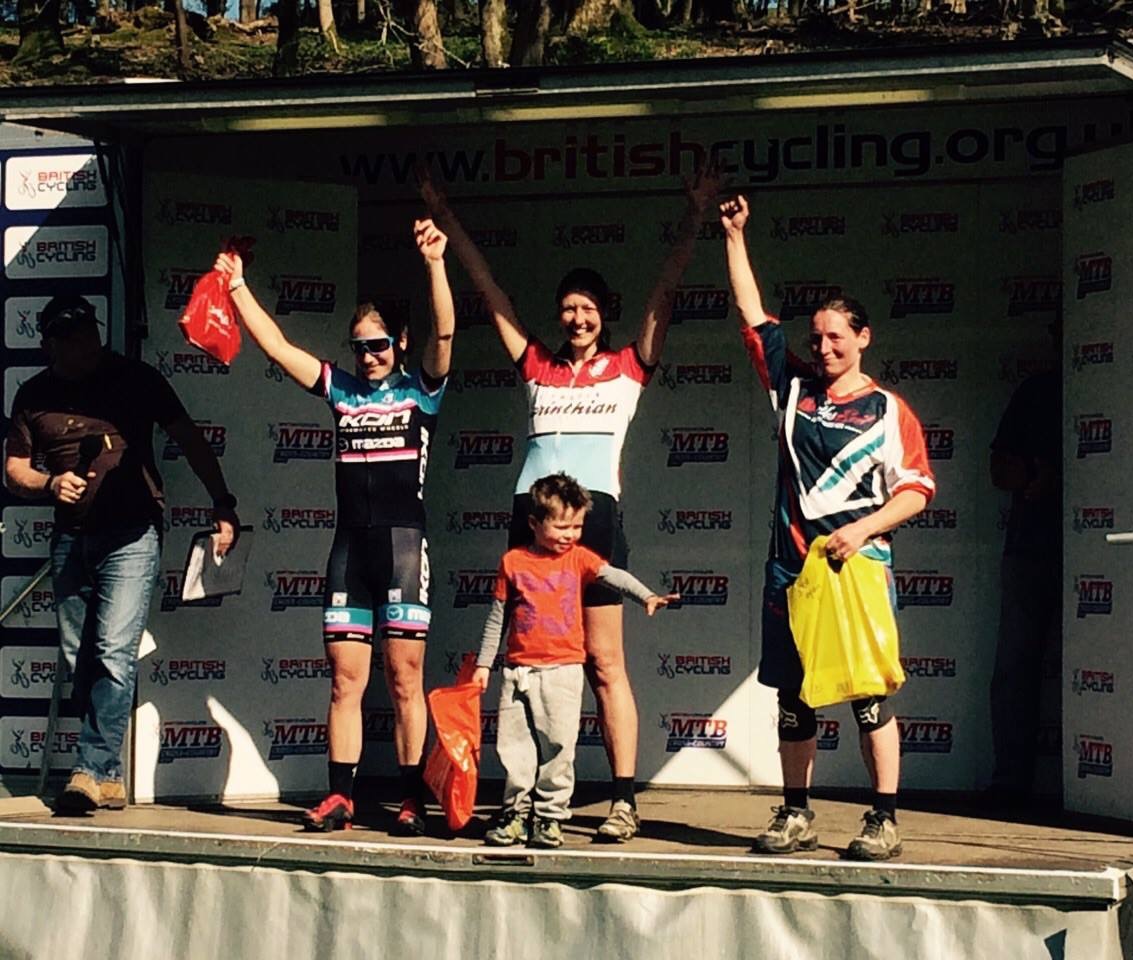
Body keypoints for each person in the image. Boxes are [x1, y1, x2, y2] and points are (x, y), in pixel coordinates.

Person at [421, 167, 719, 841]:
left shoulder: (627, 367)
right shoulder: (537, 366)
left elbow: (665, 293)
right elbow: (490, 292)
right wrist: (446, 215)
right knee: (524, 666)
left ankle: (622, 800)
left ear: (604, 313)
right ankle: (521, 798)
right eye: (568, 308)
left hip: (597, 522)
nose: (577, 318)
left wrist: (695, 217)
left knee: (606, 665)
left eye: (588, 308)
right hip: (529, 525)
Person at [212, 218, 455, 835]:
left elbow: (445, 332)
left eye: (379, 346)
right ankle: (340, 796)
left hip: (403, 549)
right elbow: (278, 349)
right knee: (346, 683)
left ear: (400, 342)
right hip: (350, 552)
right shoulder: (341, 391)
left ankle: (411, 799)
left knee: (404, 680)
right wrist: (237, 288)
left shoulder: (421, 392)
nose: (369, 357)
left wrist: (434, 264)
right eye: (360, 348)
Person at [720, 196, 936, 861]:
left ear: (864, 338)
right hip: (792, 570)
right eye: (816, 337)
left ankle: (884, 819)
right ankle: (796, 814)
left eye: (837, 336)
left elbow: (917, 491)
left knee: (870, 698)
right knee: (794, 699)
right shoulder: (793, 387)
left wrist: (863, 530)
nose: (824, 347)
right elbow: (753, 314)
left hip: (857, 571)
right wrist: (734, 235)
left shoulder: (888, 410)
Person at [4, 294, 240, 815]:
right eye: (71, 337)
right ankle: (108, 775)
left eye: (89, 331)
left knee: (113, 650)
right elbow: (14, 469)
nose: (85, 343)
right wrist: (50, 484)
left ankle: (89, 769)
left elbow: (190, 440)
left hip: (133, 534)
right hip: (70, 537)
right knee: (80, 658)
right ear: (50, 344)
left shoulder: (136, 378)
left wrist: (223, 501)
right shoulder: (33, 394)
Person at [472, 473, 675, 849]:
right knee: (515, 748)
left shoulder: (579, 558)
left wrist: (646, 596)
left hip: (563, 670)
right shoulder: (513, 562)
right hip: (517, 670)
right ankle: (516, 814)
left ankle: (550, 818)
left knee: (558, 747)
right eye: (562, 527)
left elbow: (614, 577)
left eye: (577, 527)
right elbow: (497, 616)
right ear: (534, 523)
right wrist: (485, 664)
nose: (571, 535)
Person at [988, 367, 1061, 801]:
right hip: (1032, 549)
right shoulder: (1037, 390)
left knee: (1112, 665)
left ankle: (1102, 789)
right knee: (1015, 667)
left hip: (1112, 555)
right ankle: (1010, 783)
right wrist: (1036, 474)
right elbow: (999, 471)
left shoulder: (1120, 381)